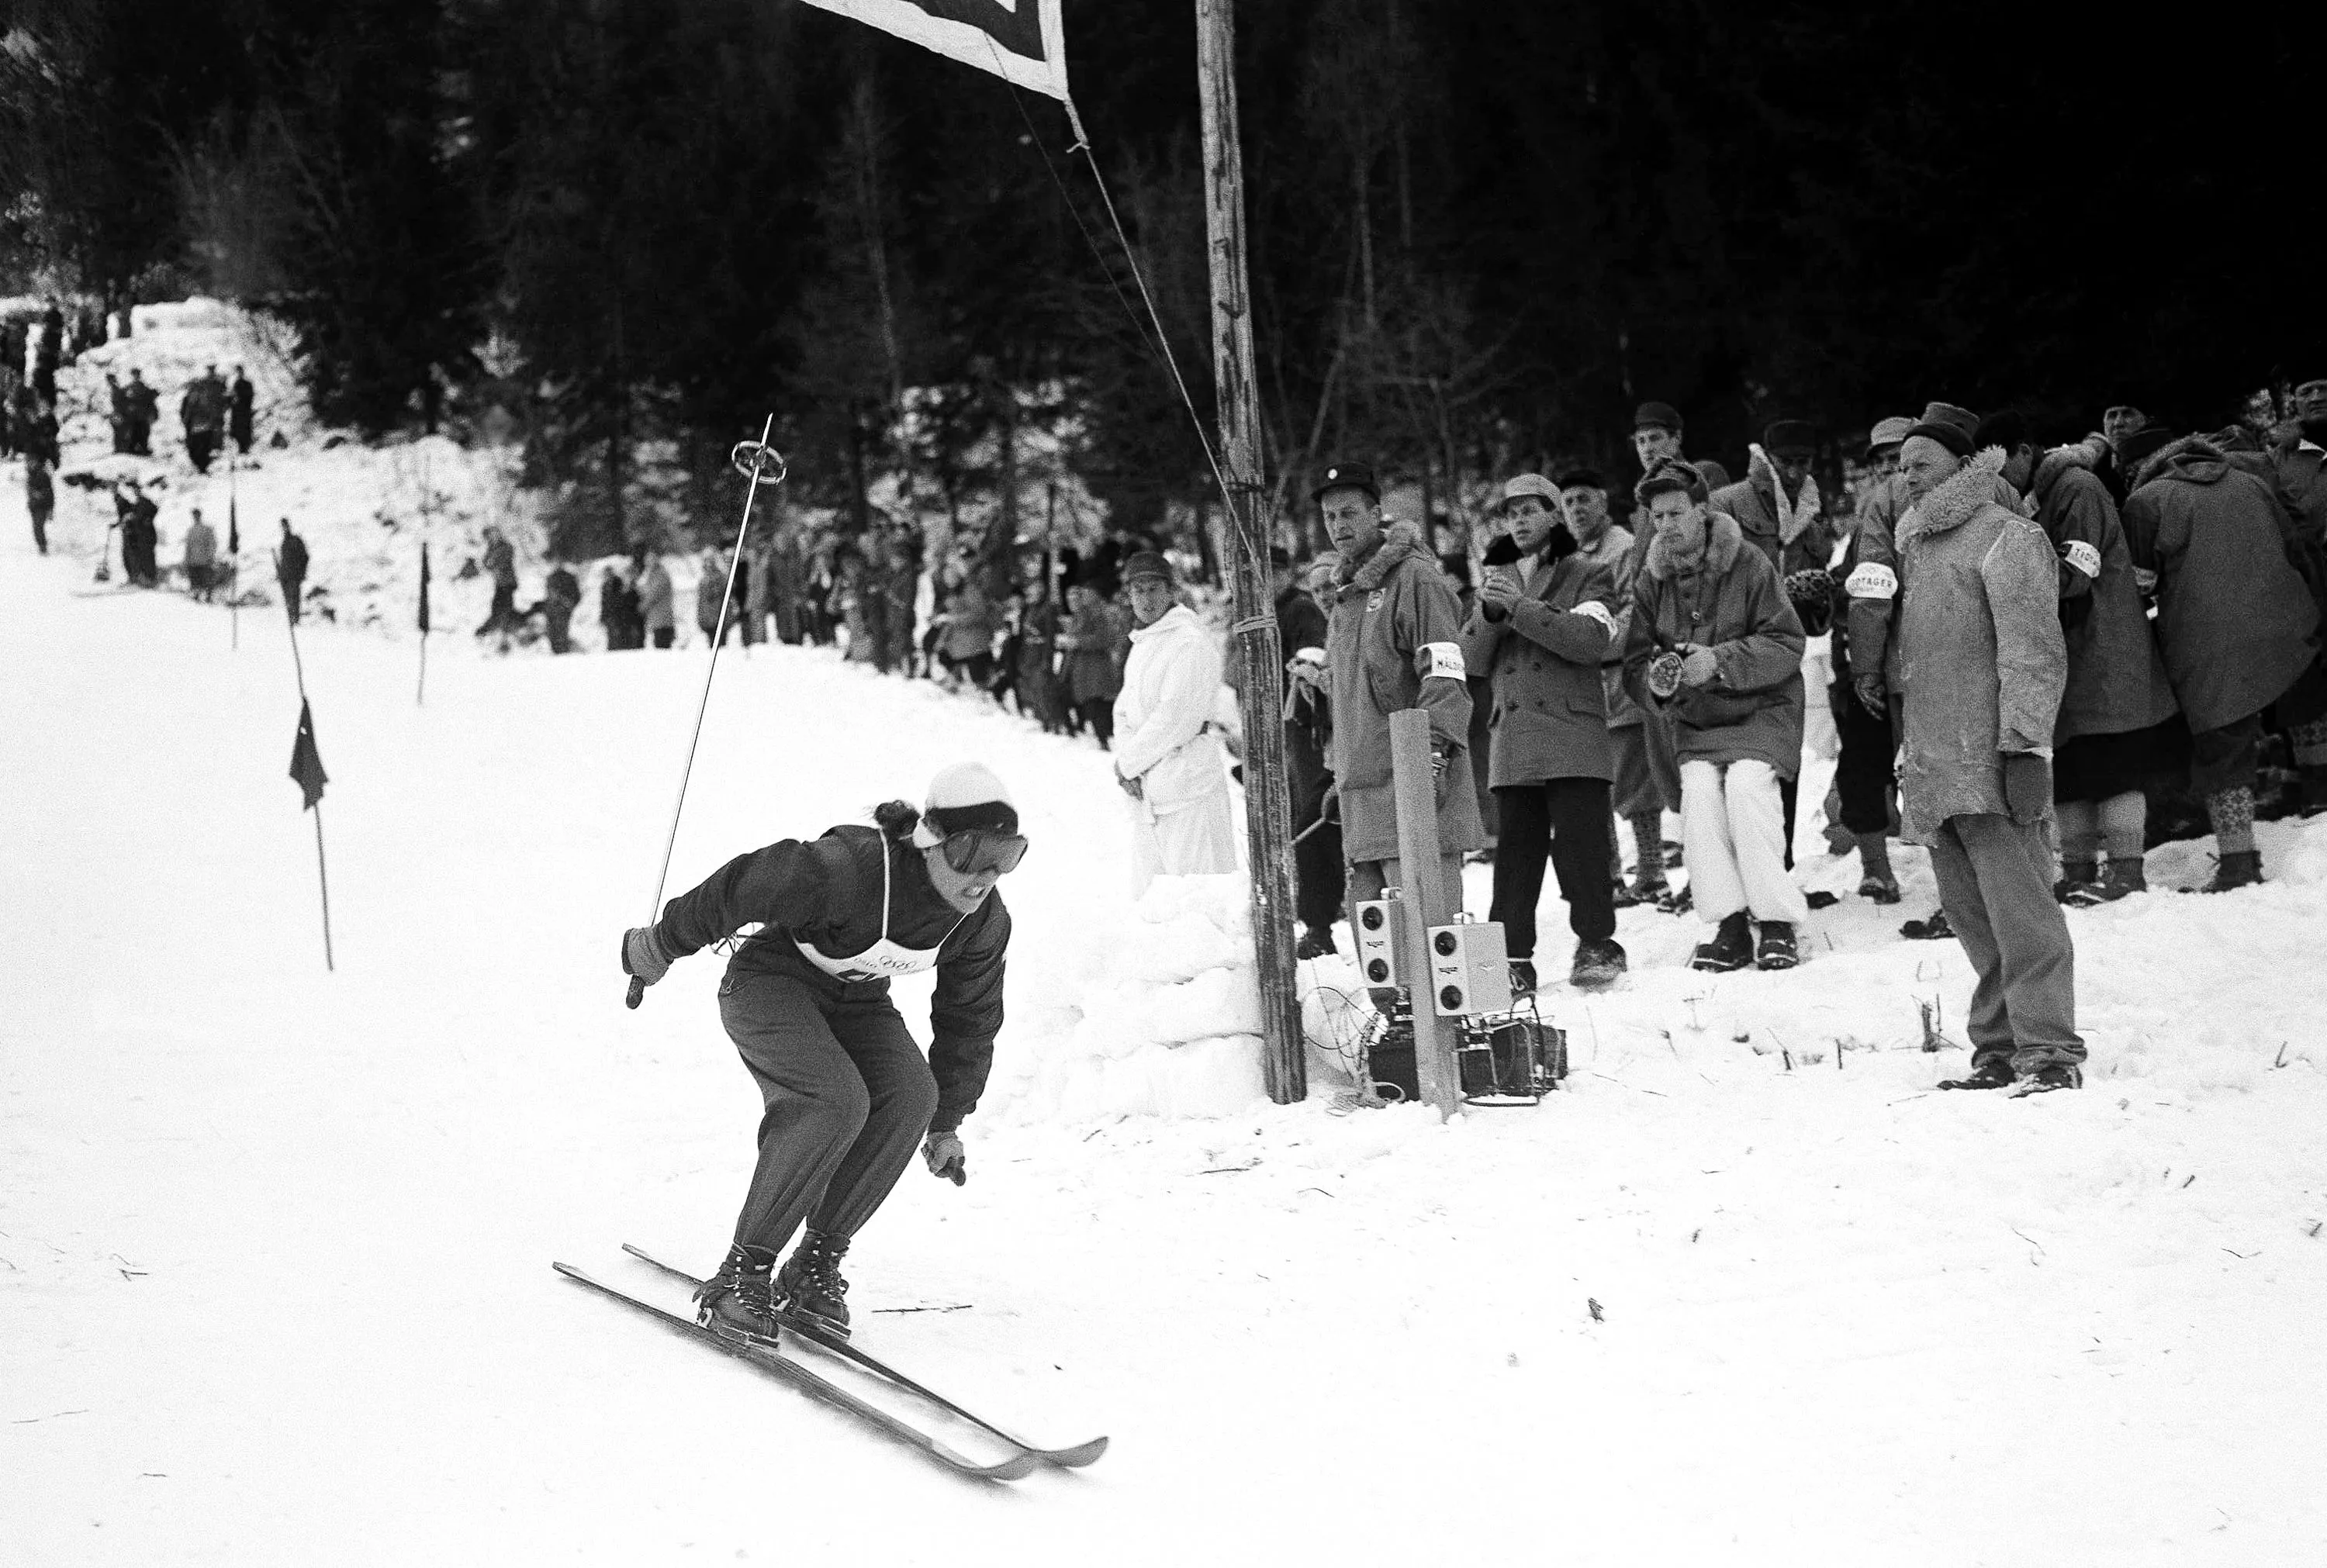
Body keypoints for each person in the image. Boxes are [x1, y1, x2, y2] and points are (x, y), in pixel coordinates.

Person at [619, 764, 1022, 1345]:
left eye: (1006, 856)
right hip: (769, 983)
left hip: (855, 999)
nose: (985, 875)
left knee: (913, 1097)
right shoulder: (850, 869)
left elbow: (970, 1018)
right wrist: (660, 944)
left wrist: (947, 1123)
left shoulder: (982, 920)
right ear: (930, 841)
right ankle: (743, 1274)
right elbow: (740, 887)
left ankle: (813, 1266)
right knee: (833, 1100)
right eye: (972, 853)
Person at [1890, 422, 2081, 1093]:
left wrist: (2026, 746)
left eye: (1923, 463)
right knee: (1972, 915)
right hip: (1938, 766)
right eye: (1901, 465)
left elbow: (2033, 650)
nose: (1908, 475)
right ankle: (1999, 1046)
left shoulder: (2009, 535)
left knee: (2023, 911)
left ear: (1965, 466)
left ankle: (2050, 1050)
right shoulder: (1916, 545)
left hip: (1994, 759)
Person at [1982, 416, 2180, 903]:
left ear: (2024, 451)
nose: (1995, 477)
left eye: (1998, 462)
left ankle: (2127, 873)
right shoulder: (2042, 495)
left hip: (2103, 650)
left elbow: (2074, 570)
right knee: (2071, 769)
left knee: (2112, 764)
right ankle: (2076, 870)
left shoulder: (2077, 488)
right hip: (2071, 655)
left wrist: (2012, 584)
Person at [1623, 460, 1808, 972]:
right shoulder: (1651, 581)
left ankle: (1775, 924)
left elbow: (1788, 640)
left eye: (1675, 513)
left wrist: (1719, 662)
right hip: (1696, 721)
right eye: (1657, 517)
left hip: (1762, 708)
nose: (1665, 526)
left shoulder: (1749, 563)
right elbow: (1635, 662)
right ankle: (1729, 925)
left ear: (1703, 510)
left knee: (1748, 788)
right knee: (1700, 796)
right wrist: (1659, 680)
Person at [2121, 428, 2322, 890]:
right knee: (2307, 700)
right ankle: (2318, 798)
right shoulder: (2250, 482)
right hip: (2286, 620)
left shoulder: (2147, 502)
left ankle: (2238, 861)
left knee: (2222, 743)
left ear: (2144, 466)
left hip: (2207, 642)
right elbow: (2295, 546)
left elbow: (2140, 585)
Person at [1314, 461, 1481, 988]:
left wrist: (1432, 756)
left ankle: (1445, 1058)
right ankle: (1396, 1049)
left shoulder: (1415, 579)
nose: (1339, 525)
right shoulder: (1345, 597)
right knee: (1377, 947)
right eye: (1329, 516)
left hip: (1414, 786)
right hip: (1362, 795)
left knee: (1432, 946)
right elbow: (1352, 700)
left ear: (1375, 513)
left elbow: (1445, 672)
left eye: (1349, 513)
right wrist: (1338, 774)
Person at [1459, 474, 1627, 992]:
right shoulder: (1494, 582)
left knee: (1582, 848)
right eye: (1511, 513)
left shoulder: (1588, 574)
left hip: (1572, 734)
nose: (1520, 520)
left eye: (1531, 509)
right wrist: (1490, 614)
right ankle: (1508, 960)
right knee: (1514, 855)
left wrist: (1519, 608)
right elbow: (1471, 661)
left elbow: (1590, 640)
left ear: (1556, 516)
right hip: (1514, 740)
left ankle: (1598, 942)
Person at [1556, 467, 1661, 907]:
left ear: (1603, 500)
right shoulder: (1565, 555)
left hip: (1620, 676)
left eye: (1584, 499)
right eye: (1569, 502)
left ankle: (1653, 872)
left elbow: (1635, 612)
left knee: (1634, 781)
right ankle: (1612, 876)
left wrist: (1581, 641)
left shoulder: (1620, 548)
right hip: (1584, 684)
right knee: (1592, 786)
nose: (1577, 509)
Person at [1111, 552, 1239, 896]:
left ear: (1171, 592)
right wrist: (1129, 766)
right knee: (1153, 897)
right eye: (1139, 591)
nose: (1146, 599)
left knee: (1199, 894)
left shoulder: (1188, 642)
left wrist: (1128, 764)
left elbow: (1176, 719)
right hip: (1149, 789)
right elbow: (1123, 711)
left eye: (1154, 589)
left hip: (1188, 784)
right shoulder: (1143, 642)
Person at [1830, 416, 1914, 901]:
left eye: (1896, 457)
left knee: (1925, 770)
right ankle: (1876, 868)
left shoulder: (1929, 511)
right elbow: (1853, 591)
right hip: (1864, 662)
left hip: (1912, 663)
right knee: (1862, 765)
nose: (1888, 468)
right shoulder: (1867, 515)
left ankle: (1956, 881)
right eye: (1879, 460)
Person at [1269, 547, 1340, 956]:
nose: (1325, 595)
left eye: (1330, 585)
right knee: (1310, 826)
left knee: (1319, 824)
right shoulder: (1314, 615)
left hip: (1374, 751)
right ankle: (1318, 926)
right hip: (1333, 747)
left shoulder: (1300, 612)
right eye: (1318, 589)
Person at [478, 527, 521, 642]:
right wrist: (491, 560)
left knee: (505, 607)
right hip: (500, 583)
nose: (493, 538)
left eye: (495, 535)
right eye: (491, 536)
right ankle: (499, 629)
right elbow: (486, 563)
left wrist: (493, 561)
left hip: (508, 582)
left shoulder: (506, 547)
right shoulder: (492, 548)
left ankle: (506, 630)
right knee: (498, 607)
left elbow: (501, 562)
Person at [181, 364, 226, 473]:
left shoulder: (191, 398)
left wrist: (186, 421)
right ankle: (203, 466)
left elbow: (187, 412)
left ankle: (201, 467)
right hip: (205, 426)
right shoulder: (204, 396)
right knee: (203, 447)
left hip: (196, 427)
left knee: (196, 448)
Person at [536, 562, 583, 654]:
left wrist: (569, 604)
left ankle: (563, 653)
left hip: (562, 610)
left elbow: (576, 595)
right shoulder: (551, 578)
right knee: (553, 634)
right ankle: (558, 653)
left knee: (561, 633)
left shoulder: (568, 578)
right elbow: (548, 595)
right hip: (552, 610)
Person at [636, 551, 676, 648]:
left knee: (662, 646)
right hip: (657, 618)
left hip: (663, 618)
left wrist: (642, 606)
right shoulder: (653, 575)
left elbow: (654, 593)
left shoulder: (660, 575)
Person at [182, 506, 218, 602]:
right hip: (193, 560)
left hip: (204, 559)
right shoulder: (191, 530)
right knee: (195, 579)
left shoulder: (207, 529)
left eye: (197, 515)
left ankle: (208, 596)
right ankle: (196, 595)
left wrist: (210, 556)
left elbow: (212, 544)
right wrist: (186, 559)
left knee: (206, 579)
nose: (195, 517)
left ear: (200, 516)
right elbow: (188, 546)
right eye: (194, 515)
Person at [276, 518, 309, 620]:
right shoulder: (284, 542)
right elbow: (284, 560)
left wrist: (301, 572)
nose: (284, 528)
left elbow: (305, 557)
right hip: (285, 576)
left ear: (289, 526)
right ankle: (292, 619)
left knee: (294, 598)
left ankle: (296, 620)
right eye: (282, 527)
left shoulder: (296, 540)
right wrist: (280, 572)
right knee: (288, 600)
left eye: (285, 526)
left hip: (294, 575)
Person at [123, 370, 157, 456]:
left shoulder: (142, 387)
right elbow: (126, 399)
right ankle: (133, 449)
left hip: (142, 414)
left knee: (144, 432)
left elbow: (148, 397)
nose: (136, 377)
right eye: (134, 375)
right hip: (134, 414)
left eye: (137, 375)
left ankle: (143, 448)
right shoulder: (130, 387)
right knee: (135, 432)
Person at [25, 458, 54, 554]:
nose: (30, 464)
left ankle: (43, 547)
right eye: (29, 462)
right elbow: (29, 490)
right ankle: (41, 545)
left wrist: (50, 509)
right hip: (34, 506)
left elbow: (50, 493)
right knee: (36, 527)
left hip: (43, 506)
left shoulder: (43, 475)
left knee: (38, 527)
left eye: (32, 462)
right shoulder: (30, 475)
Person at [229, 366, 255, 455]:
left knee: (245, 430)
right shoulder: (235, 384)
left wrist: (239, 400)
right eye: (237, 372)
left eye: (239, 372)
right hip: (238, 411)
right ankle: (241, 449)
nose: (239, 374)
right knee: (238, 430)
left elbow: (250, 397)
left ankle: (245, 449)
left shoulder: (247, 383)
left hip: (244, 410)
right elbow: (233, 398)